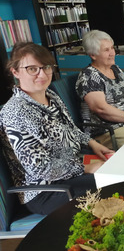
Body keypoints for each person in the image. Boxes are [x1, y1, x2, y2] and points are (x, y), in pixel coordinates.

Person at [0, 42, 114, 215]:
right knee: (114, 190)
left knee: (118, 177)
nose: (42, 74)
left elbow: (69, 128)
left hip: (69, 174)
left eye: (46, 67)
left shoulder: (51, 95)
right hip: (45, 191)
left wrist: (92, 142)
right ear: (15, 72)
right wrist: (85, 168)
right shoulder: (15, 111)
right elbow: (39, 168)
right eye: (32, 69)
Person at [76, 30, 124, 150]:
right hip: (107, 131)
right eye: (106, 50)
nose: (112, 53)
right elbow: (102, 110)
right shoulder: (88, 76)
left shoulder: (115, 68)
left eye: (112, 48)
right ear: (93, 54)